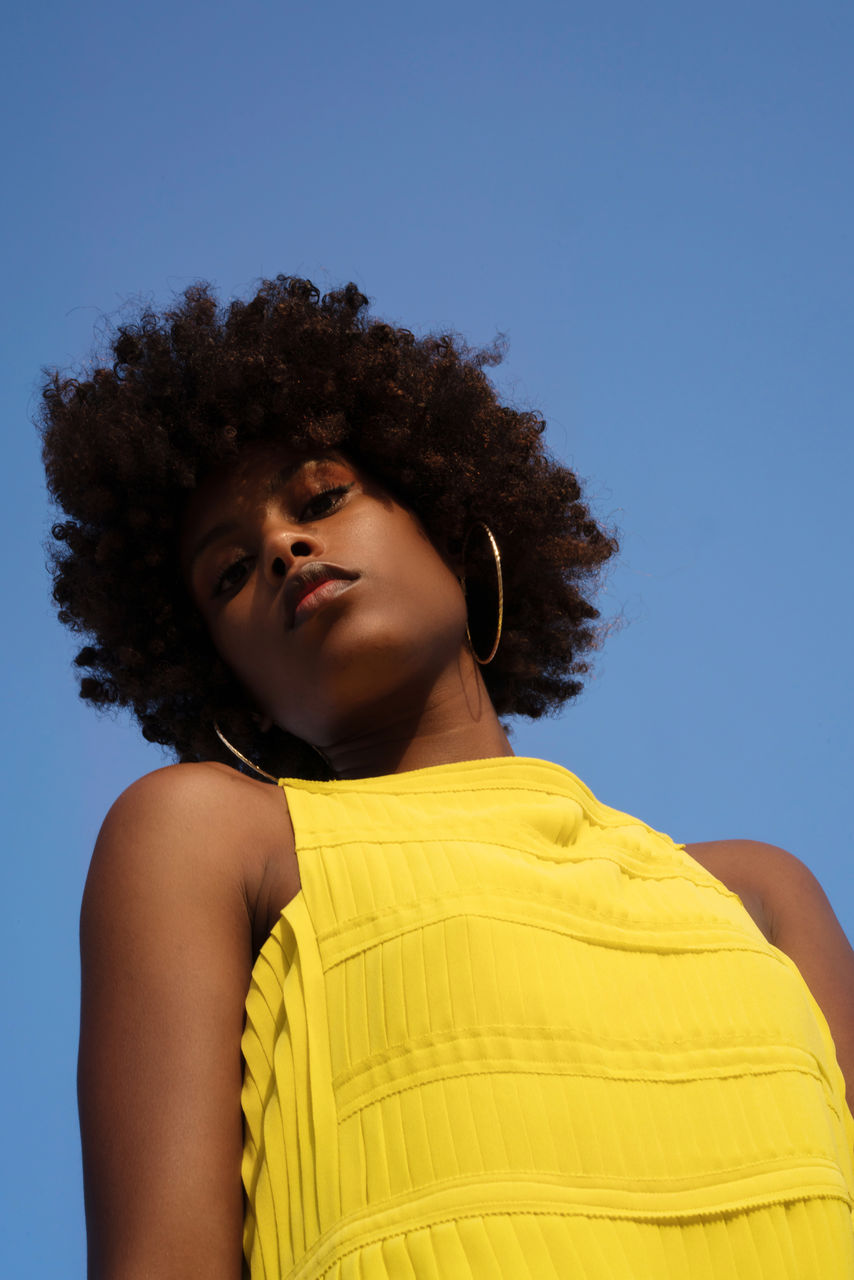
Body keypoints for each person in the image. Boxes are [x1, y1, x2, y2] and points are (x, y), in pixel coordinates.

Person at [41, 277, 854, 1279]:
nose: (284, 546)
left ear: (451, 530)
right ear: (230, 690)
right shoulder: (209, 839)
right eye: (229, 573)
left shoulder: (758, 894)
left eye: (324, 497)